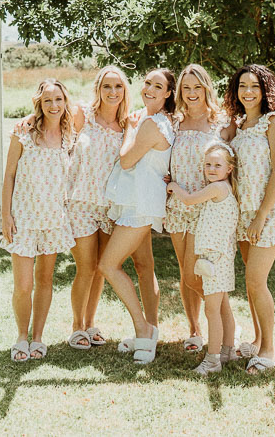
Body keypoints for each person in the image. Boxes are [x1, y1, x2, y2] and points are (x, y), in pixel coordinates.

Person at [222, 64, 275, 374]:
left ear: (265, 90)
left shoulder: (274, 122)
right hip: (243, 211)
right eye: (242, 85)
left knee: (256, 280)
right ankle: (256, 341)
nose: (248, 91)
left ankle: (268, 351)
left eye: (255, 85)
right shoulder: (240, 126)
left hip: (270, 211)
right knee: (250, 281)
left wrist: (260, 217)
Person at [98, 68, 176, 364]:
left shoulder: (150, 124)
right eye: (147, 83)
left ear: (169, 93)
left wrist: (130, 129)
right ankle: (150, 331)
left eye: (159, 86)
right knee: (143, 265)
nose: (150, 89)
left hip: (139, 205)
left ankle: (143, 329)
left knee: (107, 265)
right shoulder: (152, 118)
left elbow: (127, 160)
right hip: (139, 200)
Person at [0, 79, 76, 362]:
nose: (54, 105)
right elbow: (9, 175)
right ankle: (21, 336)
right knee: (23, 285)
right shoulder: (24, 132)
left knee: (45, 281)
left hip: (53, 219)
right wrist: (5, 215)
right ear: (39, 104)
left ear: (65, 102)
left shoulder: (69, 135)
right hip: (23, 219)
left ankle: (39, 338)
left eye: (58, 100)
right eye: (48, 101)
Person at [63, 66, 129, 350]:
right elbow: (52, 127)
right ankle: (76, 326)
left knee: (102, 269)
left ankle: (90, 324)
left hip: (110, 207)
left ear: (124, 91)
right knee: (85, 268)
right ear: (98, 89)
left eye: (118, 87)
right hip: (81, 203)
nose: (112, 92)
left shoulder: (129, 124)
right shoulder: (82, 115)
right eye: (107, 86)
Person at [165, 63, 228, 353]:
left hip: (206, 209)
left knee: (198, 274)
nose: (191, 93)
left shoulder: (221, 123)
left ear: (206, 88)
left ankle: (226, 325)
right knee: (184, 272)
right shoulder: (173, 121)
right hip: (177, 207)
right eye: (186, 88)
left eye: (197, 87)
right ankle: (194, 330)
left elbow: (232, 161)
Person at [167, 141, 240, 375]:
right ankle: (227, 350)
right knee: (222, 307)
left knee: (212, 311)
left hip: (214, 259)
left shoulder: (218, 188)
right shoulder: (225, 187)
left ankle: (213, 360)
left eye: (217, 165)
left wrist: (174, 187)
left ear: (229, 168)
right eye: (207, 164)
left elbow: (188, 200)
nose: (210, 169)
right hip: (221, 256)